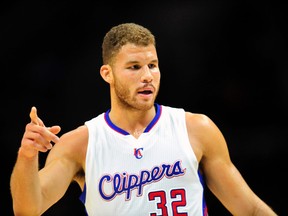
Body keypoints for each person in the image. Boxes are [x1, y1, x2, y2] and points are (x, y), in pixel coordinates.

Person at [10, 22, 277, 216]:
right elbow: (29, 209)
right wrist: (27, 156)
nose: (147, 75)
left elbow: (250, 209)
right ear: (107, 74)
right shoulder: (80, 143)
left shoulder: (196, 129)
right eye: (134, 67)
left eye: (153, 65)